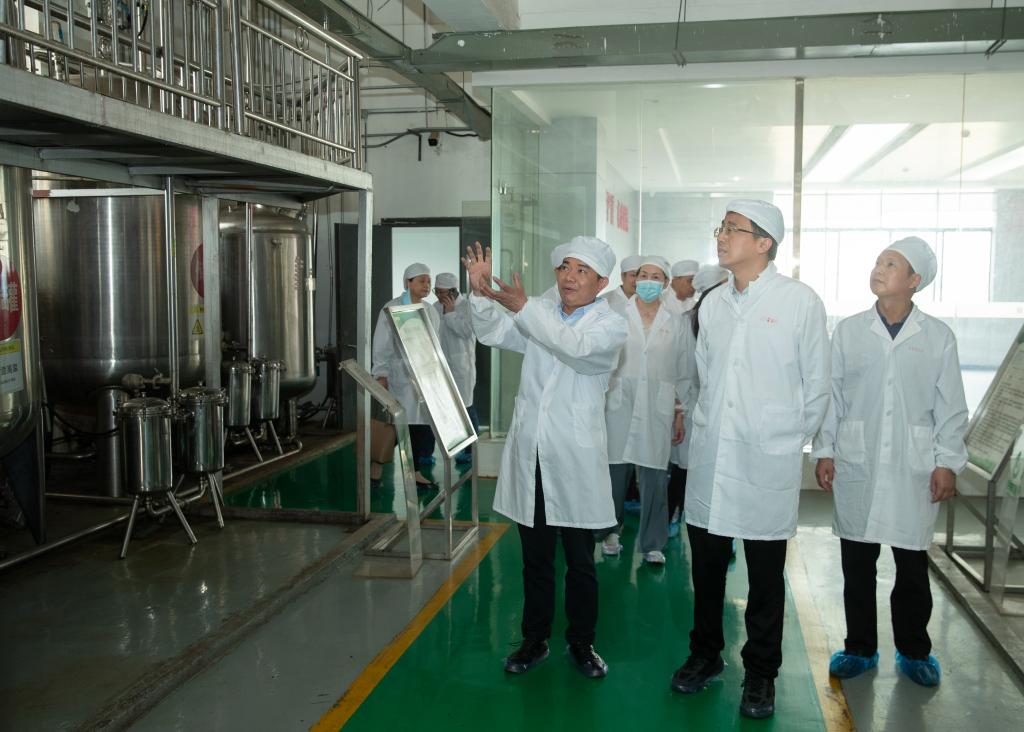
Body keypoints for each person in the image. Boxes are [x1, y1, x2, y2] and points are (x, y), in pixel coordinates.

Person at [671, 200, 830, 720]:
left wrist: (783, 437)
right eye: (721, 228)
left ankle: (761, 673)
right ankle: (705, 654)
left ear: (764, 243)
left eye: (733, 229)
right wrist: (705, 423)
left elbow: (817, 386)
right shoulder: (713, 304)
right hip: (713, 455)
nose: (722, 236)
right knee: (707, 569)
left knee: (764, 578)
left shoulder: (799, 302)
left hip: (767, 460)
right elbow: (704, 376)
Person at [462, 237, 628, 680]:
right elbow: (493, 332)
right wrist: (480, 294)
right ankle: (534, 640)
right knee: (535, 559)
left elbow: (574, 348)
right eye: (564, 267)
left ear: (601, 283)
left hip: (574, 460)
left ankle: (582, 643)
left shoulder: (610, 326)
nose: (569, 277)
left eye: (581, 270)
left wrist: (524, 309)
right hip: (532, 454)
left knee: (580, 562)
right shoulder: (539, 311)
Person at [812, 237, 968, 688]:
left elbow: (951, 406)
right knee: (856, 564)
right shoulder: (849, 331)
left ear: (915, 280)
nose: (879, 269)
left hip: (913, 467)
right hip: (857, 461)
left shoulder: (937, 337)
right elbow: (832, 396)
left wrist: (947, 462)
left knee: (912, 567)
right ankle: (859, 647)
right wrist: (825, 449)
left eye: (892, 264)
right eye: (878, 261)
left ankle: (914, 650)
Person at [599, 255, 688, 564]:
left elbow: (683, 371)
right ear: (634, 279)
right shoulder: (614, 314)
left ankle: (653, 542)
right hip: (618, 403)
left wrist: (680, 412)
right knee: (615, 472)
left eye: (655, 276)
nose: (647, 281)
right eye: (642, 275)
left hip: (657, 407)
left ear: (665, 284)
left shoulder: (675, 321)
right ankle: (611, 531)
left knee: (655, 477)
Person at [666, 264, 729, 538]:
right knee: (683, 469)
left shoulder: (731, 322)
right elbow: (680, 372)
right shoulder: (685, 322)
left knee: (717, 472)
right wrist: (679, 412)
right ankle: (672, 516)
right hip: (691, 406)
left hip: (720, 409)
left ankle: (721, 527)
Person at [371, 262, 441, 484]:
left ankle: (416, 471)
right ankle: (376, 463)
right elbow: (381, 344)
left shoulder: (430, 310)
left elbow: (435, 344)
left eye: (428, 281)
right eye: (421, 281)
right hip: (399, 377)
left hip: (424, 378)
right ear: (408, 283)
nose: (426, 285)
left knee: (421, 425)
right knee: (397, 425)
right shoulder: (391, 308)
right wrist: (381, 374)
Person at [433, 272, 479, 463]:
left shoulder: (467, 306)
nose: (438, 296)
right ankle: (446, 447)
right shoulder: (434, 307)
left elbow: (467, 331)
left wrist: (451, 313)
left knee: (465, 408)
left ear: (453, 292)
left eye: (442, 292)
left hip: (462, 368)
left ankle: (471, 451)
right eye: (436, 292)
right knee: (443, 408)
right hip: (440, 367)